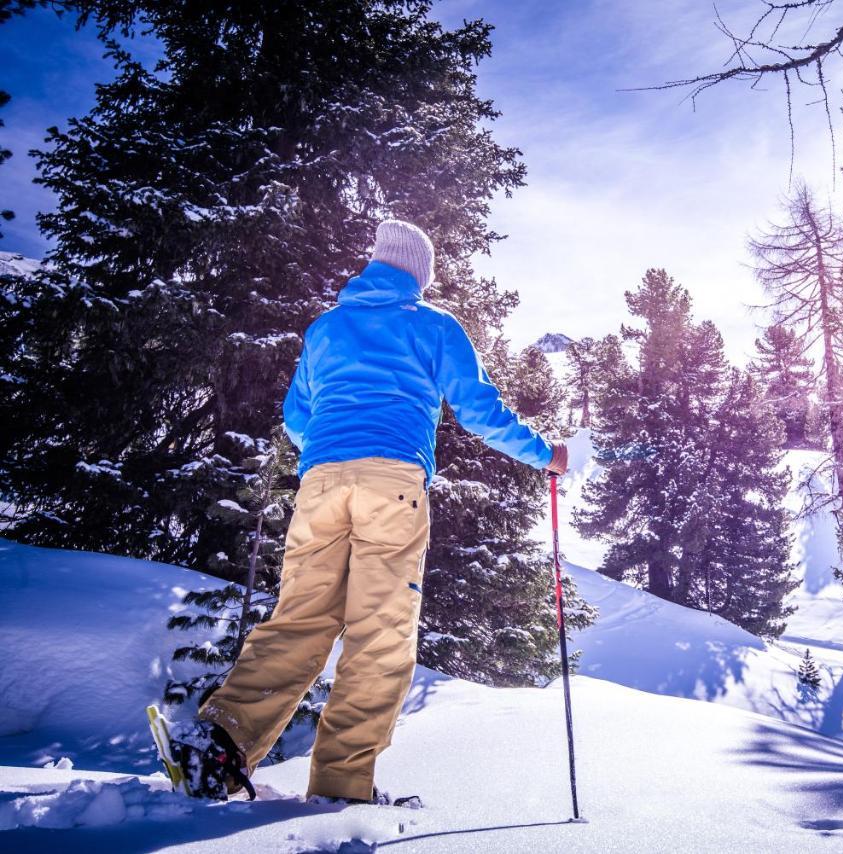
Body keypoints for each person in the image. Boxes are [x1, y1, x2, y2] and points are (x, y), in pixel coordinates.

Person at [168, 219, 568, 803]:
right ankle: (340, 785)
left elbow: (297, 419)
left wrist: (337, 450)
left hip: (321, 482)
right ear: (419, 275)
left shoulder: (326, 328)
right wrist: (545, 455)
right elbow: (480, 412)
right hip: (393, 481)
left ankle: (222, 742)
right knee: (380, 634)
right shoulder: (433, 326)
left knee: (300, 618)